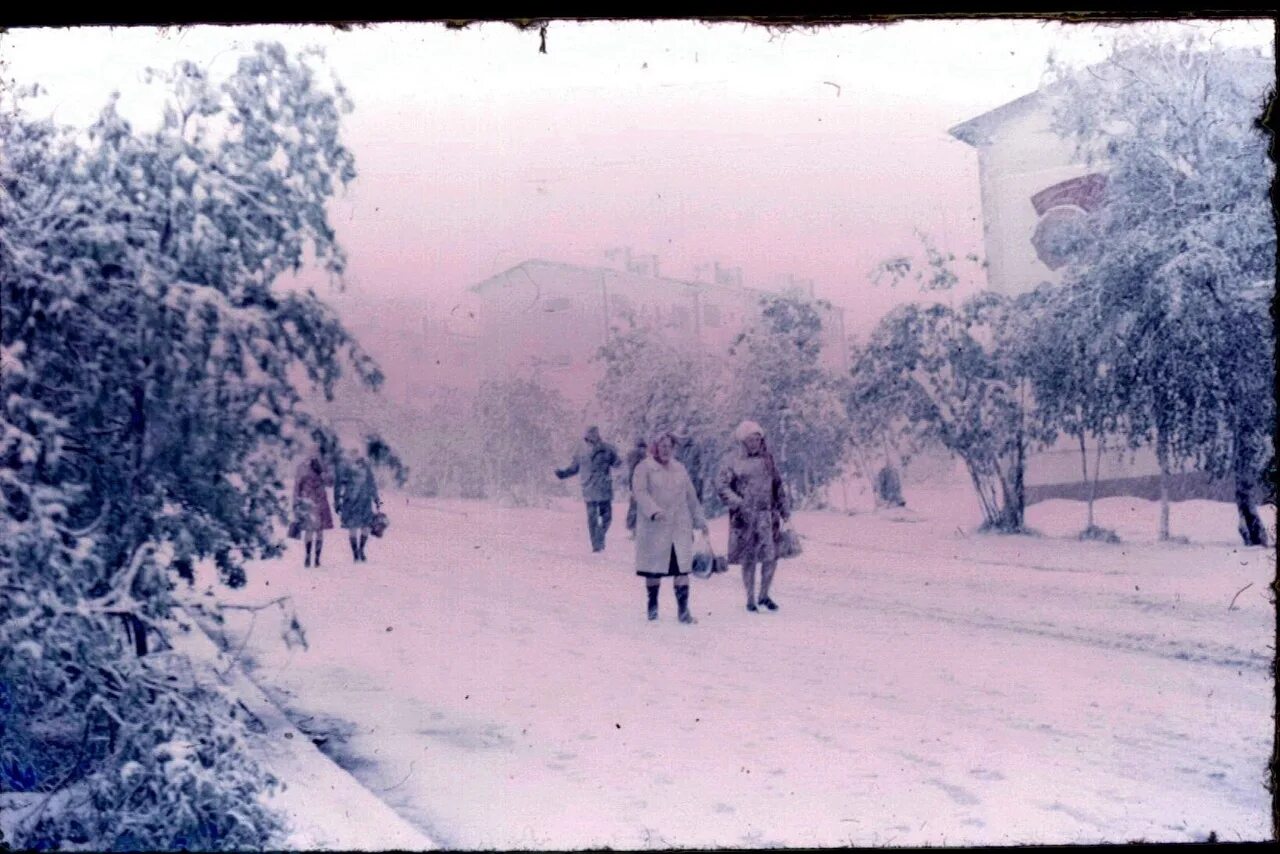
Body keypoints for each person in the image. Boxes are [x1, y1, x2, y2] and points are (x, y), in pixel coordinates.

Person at [632, 432, 709, 624]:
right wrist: (654, 511)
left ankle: (683, 612)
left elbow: (691, 496)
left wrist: (700, 519)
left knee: (681, 569)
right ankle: (653, 606)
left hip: (679, 525)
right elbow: (640, 493)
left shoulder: (679, 469)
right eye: (662, 446)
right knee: (654, 570)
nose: (666, 450)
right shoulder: (644, 468)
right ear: (655, 448)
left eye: (669, 446)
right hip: (654, 527)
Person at [716, 420, 790, 613]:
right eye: (751, 439)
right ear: (743, 441)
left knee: (770, 556)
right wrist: (739, 503)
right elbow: (722, 486)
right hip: (744, 518)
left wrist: (784, 509)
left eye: (758, 439)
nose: (755, 443)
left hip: (767, 516)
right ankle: (750, 598)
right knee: (748, 558)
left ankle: (764, 595)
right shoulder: (733, 461)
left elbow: (778, 485)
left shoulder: (768, 460)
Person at [555, 425, 622, 553]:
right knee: (592, 518)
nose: (591, 436)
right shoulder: (580, 451)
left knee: (607, 517)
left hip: (604, 488)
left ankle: (599, 536)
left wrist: (619, 460)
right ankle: (597, 546)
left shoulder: (607, 448)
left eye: (594, 433)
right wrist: (563, 474)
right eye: (589, 433)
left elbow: (617, 463)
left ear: (598, 434)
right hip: (589, 487)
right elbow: (574, 468)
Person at [335, 453, 381, 563]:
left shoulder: (365, 469)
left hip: (363, 502)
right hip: (353, 502)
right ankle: (356, 552)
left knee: (364, 527)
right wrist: (338, 500)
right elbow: (340, 485)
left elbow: (372, 485)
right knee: (354, 528)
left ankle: (360, 550)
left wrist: (377, 499)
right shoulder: (347, 469)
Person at [294, 452, 335, 568]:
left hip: (312, 503)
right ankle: (314, 558)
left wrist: (296, 503)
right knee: (316, 532)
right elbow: (329, 482)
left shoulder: (304, 470)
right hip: (316, 503)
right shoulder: (311, 470)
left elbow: (297, 489)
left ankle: (311, 557)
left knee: (312, 531)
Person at [624, 438, 648, 539]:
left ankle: (634, 531)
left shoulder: (633, 455)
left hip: (637, 484)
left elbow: (631, 472)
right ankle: (638, 531)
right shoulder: (643, 456)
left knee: (635, 508)